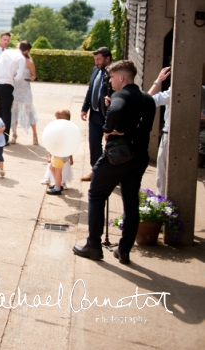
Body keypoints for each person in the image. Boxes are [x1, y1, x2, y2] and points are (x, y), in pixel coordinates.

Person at [73, 60, 156, 265]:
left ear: (121, 78)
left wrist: (108, 128)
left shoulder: (121, 95)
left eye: (112, 78)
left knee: (96, 194)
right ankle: (124, 250)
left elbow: (118, 110)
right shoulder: (148, 99)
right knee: (131, 203)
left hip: (117, 156)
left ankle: (93, 245)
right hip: (139, 157)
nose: (110, 81)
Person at [79, 47, 113, 182]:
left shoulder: (113, 73)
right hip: (94, 114)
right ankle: (96, 171)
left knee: (110, 145)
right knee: (94, 143)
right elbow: (91, 89)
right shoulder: (95, 70)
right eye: (95, 59)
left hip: (108, 116)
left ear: (107, 59)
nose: (96, 62)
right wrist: (84, 108)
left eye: (99, 60)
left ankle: (110, 173)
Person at [147, 67, 172, 196]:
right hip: (189, 136)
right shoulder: (200, 89)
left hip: (169, 135)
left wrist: (157, 81)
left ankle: (161, 201)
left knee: (162, 172)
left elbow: (148, 100)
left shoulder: (173, 92)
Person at [10, 46, 38, 145]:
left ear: (27, 51)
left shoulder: (29, 62)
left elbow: (34, 75)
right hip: (15, 90)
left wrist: (30, 79)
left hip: (25, 90)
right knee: (14, 112)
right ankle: (14, 134)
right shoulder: (14, 60)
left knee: (29, 111)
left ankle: (35, 135)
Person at [45, 109, 75, 195]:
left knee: (58, 170)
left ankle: (57, 187)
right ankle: (58, 183)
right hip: (58, 153)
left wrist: (71, 157)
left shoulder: (63, 130)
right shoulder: (64, 129)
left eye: (58, 118)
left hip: (60, 154)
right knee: (51, 168)